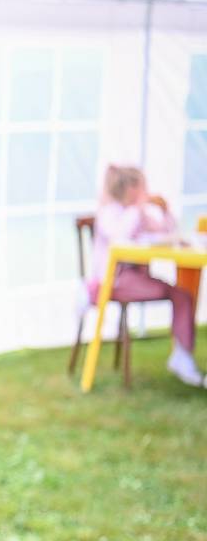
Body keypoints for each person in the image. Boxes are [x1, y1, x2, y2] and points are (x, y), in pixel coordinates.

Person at [90, 164, 202, 387]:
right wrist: (138, 207)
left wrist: (164, 210)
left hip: (135, 279)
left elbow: (167, 232)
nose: (147, 191)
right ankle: (182, 357)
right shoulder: (110, 213)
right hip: (113, 281)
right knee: (175, 293)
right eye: (142, 186)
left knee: (182, 296)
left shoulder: (138, 213)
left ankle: (182, 355)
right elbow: (119, 237)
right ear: (130, 189)